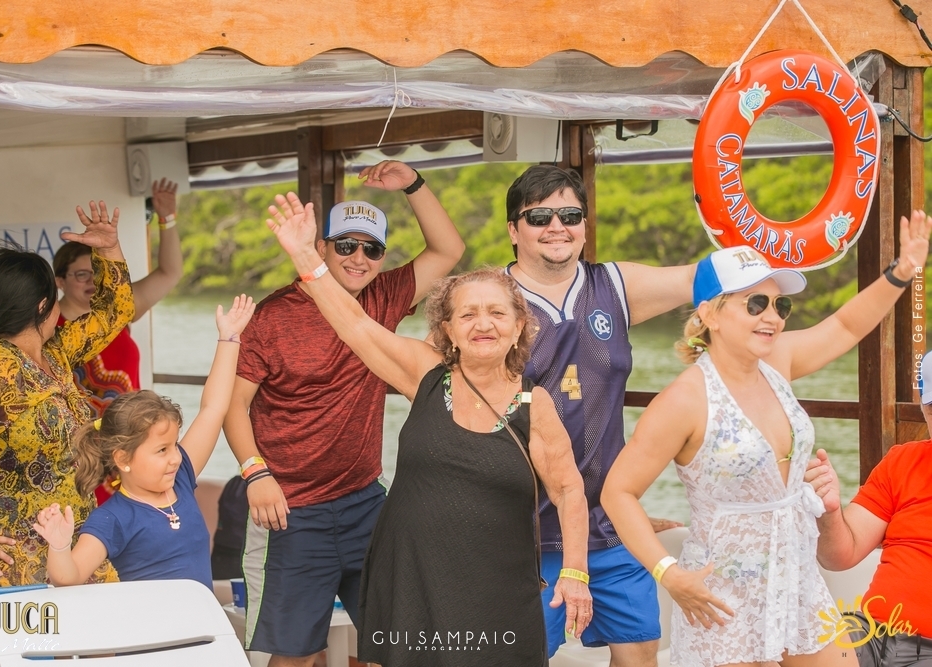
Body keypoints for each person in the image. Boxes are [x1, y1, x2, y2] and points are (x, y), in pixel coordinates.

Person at [265, 191, 592, 667]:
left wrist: (576, 572)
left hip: (498, 588)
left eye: (497, 313)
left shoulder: (533, 404)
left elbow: (568, 490)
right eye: (467, 314)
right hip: (412, 579)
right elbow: (355, 325)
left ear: (520, 326)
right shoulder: (426, 374)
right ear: (448, 329)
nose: (483, 324)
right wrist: (303, 256)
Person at [601, 213, 930, 667]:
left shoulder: (778, 362)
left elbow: (846, 327)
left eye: (780, 305)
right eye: (755, 303)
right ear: (709, 313)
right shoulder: (684, 400)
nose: (772, 317)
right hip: (724, 595)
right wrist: (669, 573)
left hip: (797, 582)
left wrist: (901, 272)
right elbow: (617, 493)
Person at [223, 160, 464, 666]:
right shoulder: (271, 316)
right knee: (297, 655)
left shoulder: (385, 295)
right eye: (346, 245)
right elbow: (233, 403)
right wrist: (255, 473)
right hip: (289, 509)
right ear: (320, 248)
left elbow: (448, 250)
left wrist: (413, 183)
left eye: (371, 249)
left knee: (395, 644)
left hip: (365, 502)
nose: (359, 258)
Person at [504, 164, 689, 663]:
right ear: (514, 230)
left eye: (570, 215)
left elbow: (710, 279)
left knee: (640, 657)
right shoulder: (489, 300)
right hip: (519, 537)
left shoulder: (615, 284)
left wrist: (767, 233)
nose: (557, 227)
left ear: (585, 226)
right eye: (539, 217)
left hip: (610, 530)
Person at [0, 200, 134, 589]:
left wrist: (109, 249)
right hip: (14, 562)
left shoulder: (57, 354)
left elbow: (115, 313)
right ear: (44, 306)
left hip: (73, 548)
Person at [33, 295, 254, 590]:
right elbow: (69, 577)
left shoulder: (181, 479)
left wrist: (229, 339)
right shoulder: (112, 517)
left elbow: (213, 408)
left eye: (174, 445)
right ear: (123, 459)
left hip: (202, 619)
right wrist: (59, 546)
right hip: (153, 623)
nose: (176, 457)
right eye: (162, 450)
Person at [806, 350, 932, 666]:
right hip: (870, 636)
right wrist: (829, 510)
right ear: (923, 408)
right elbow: (838, 556)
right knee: (770, 641)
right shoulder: (902, 461)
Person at [53, 178, 183, 416]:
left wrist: (167, 218)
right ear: (60, 281)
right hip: (78, 438)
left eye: (96, 273)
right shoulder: (46, 327)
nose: (92, 281)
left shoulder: (117, 309)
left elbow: (170, 272)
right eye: (81, 274)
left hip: (132, 432)